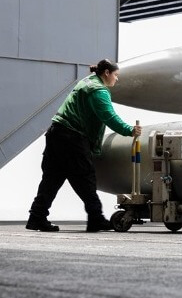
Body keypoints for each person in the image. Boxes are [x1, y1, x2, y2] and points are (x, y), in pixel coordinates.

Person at [26, 59, 142, 232]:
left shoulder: (87, 82)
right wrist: (130, 130)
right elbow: (109, 117)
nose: (117, 80)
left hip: (56, 133)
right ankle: (96, 219)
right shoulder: (98, 90)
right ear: (107, 73)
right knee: (85, 178)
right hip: (71, 137)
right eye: (116, 76)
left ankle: (36, 217)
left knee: (51, 179)